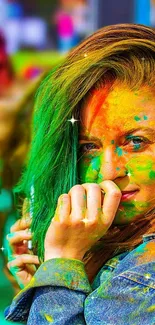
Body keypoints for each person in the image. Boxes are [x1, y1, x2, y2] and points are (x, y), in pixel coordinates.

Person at [4, 23, 155, 324]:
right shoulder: (120, 245)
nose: (109, 170)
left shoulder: (142, 276)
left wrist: (62, 261)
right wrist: (46, 281)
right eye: (89, 147)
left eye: (136, 142)